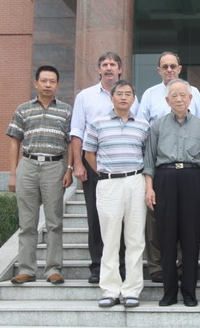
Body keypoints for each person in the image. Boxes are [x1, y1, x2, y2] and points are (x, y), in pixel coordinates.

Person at [70, 52, 138, 284]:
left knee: (124, 218)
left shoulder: (131, 97)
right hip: (94, 165)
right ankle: (98, 266)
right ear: (99, 69)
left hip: (124, 166)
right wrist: (78, 163)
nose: (109, 68)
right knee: (97, 217)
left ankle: (122, 265)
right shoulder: (85, 96)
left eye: (113, 64)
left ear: (120, 69)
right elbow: (77, 130)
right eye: (104, 65)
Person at [143, 79, 200, 307]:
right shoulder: (158, 126)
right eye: (174, 95)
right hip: (165, 178)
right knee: (166, 236)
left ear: (191, 98)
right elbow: (150, 159)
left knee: (191, 237)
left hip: (192, 178)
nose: (179, 99)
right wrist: (149, 187)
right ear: (167, 100)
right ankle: (169, 292)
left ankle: (190, 292)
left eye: (183, 95)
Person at [137, 51, 200, 283]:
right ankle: (159, 267)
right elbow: (143, 128)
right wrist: (149, 183)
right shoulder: (150, 95)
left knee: (187, 225)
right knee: (159, 224)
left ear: (179, 68)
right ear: (159, 70)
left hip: (190, 171)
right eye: (164, 66)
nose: (169, 69)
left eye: (172, 65)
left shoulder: (195, 95)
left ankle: (185, 269)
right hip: (162, 170)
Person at [83, 80, 149, 308]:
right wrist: (102, 171)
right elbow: (89, 153)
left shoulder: (143, 125)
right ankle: (110, 290)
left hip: (135, 181)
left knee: (135, 239)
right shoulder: (98, 123)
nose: (123, 97)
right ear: (111, 98)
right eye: (119, 94)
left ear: (133, 99)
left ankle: (132, 289)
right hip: (109, 183)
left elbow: (145, 153)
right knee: (110, 238)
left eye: (128, 94)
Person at [6, 66, 73, 285]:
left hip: (54, 166)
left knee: (54, 222)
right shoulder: (23, 109)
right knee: (27, 222)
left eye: (52, 81)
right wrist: (13, 173)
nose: (48, 85)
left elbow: (71, 142)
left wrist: (69, 169)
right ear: (36, 83)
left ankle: (53, 269)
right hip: (28, 165)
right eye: (44, 81)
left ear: (57, 85)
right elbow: (14, 141)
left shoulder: (66, 110)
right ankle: (26, 269)